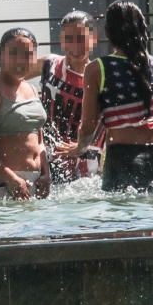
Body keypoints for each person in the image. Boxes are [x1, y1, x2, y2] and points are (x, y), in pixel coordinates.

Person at [66, 0, 153, 192]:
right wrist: (149, 143)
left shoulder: (98, 69)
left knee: (121, 218)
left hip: (121, 156)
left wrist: (79, 149)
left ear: (108, 33)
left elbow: (88, 126)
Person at [0, 28, 51, 200]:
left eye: (27, 54)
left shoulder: (32, 89)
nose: (21, 60)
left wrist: (46, 174)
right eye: (13, 53)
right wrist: (10, 178)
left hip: (33, 183)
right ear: (0, 55)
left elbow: (39, 140)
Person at [27, 10, 104, 184]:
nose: (75, 47)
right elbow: (9, 76)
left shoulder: (101, 75)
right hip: (46, 162)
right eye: (68, 39)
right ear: (61, 40)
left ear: (93, 39)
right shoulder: (49, 64)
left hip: (87, 172)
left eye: (81, 39)